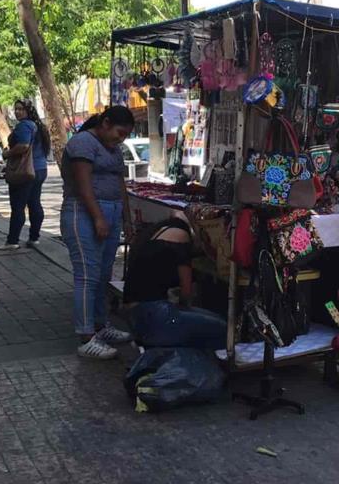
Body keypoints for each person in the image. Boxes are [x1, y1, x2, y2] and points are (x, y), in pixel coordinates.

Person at [61, 106, 135, 359]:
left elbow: (120, 184)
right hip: (83, 213)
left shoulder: (114, 149)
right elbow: (83, 184)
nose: (121, 138)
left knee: (103, 274)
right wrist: (97, 217)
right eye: (119, 132)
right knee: (87, 275)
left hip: (110, 212)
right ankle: (85, 336)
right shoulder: (83, 143)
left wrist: (126, 218)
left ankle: (101, 325)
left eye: (125, 135)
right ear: (104, 123)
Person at [124, 214, 226, 351]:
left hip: (138, 313)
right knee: (222, 328)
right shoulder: (180, 236)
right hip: (153, 313)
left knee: (213, 319)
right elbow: (186, 291)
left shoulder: (156, 234)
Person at [0, 100, 50, 249]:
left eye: (21, 109)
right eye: (16, 109)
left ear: (29, 110)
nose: (17, 112)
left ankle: (12, 240)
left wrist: (7, 153)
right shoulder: (39, 126)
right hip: (40, 169)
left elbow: (23, 146)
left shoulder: (24, 126)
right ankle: (34, 237)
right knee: (34, 203)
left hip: (25, 171)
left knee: (18, 205)